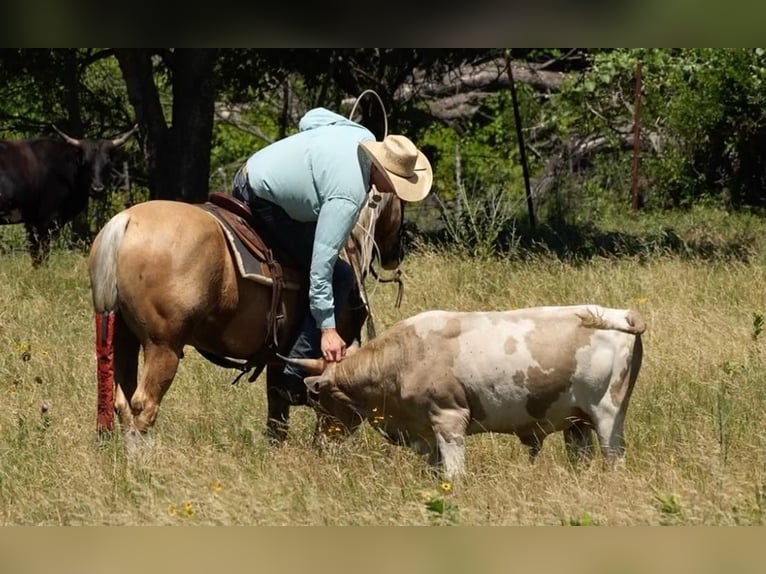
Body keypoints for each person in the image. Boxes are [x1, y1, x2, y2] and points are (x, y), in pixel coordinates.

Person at [232, 106, 432, 400]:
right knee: (341, 275)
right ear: (383, 170)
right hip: (262, 198)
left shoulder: (359, 134)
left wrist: (313, 157)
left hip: (252, 169)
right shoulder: (348, 194)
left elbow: (311, 117)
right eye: (396, 184)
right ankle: (295, 373)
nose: (394, 191)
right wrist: (327, 328)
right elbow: (321, 265)